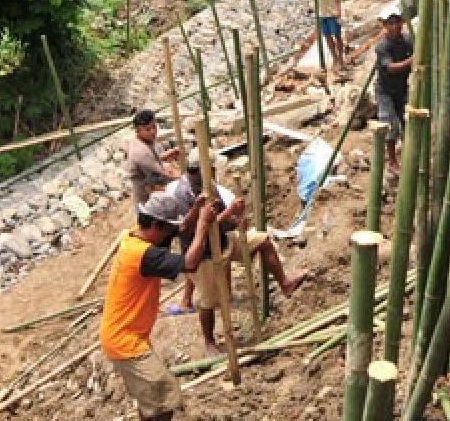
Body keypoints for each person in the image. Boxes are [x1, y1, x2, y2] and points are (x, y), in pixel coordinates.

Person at [169, 152, 308, 356]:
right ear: (201, 169)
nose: (216, 171)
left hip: (224, 243)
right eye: (212, 167)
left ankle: (285, 283)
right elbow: (192, 229)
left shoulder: (211, 186)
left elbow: (221, 222)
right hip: (202, 255)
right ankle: (209, 342)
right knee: (208, 300)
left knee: (262, 240)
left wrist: (235, 219)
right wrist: (226, 213)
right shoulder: (183, 193)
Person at [100, 192, 215, 421]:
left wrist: (195, 211)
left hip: (126, 336)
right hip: (126, 342)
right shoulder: (143, 254)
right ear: (154, 225)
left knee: (151, 401)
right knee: (165, 397)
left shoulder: (135, 235)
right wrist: (202, 224)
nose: (169, 234)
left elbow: (177, 229)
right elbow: (190, 263)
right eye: (165, 229)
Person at [374, 4, 413, 176]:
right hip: (385, 91)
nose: (394, 26)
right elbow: (390, 67)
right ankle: (392, 161)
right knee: (392, 126)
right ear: (385, 26)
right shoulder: (382, 46)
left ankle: (410, 157)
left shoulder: (407, 41)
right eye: (390, 23)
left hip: (402, 89)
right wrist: (412, 60)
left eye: (397, 22)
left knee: (408, 123)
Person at [123, 109, 183, 207]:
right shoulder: (140, 152)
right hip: (148, 201)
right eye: (147, 129)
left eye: (154, 127)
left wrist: (169, 154)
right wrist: (184, 179)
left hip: (152, 191)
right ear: (138, 131)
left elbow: (153, 159)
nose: (153, 132)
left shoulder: (145, 140)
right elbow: (162, 175)